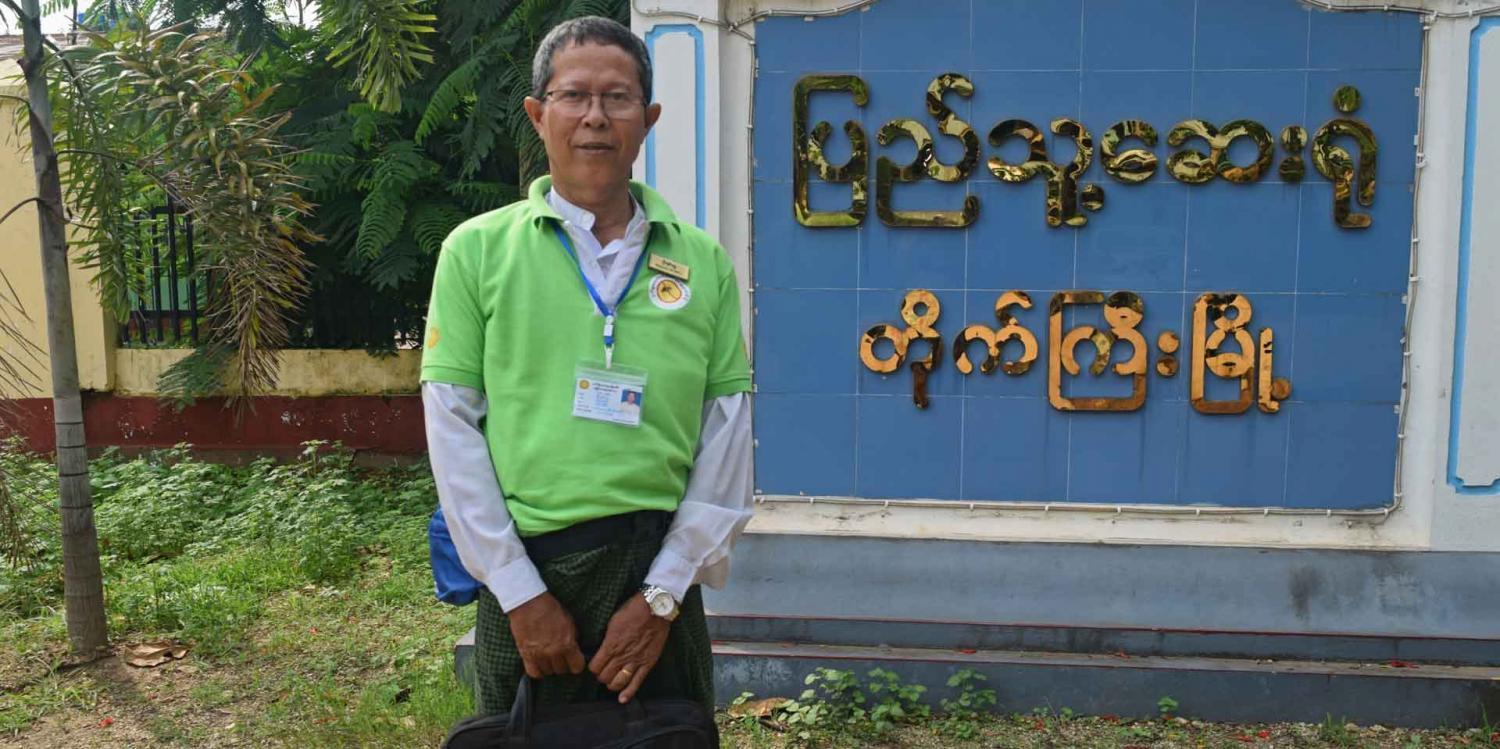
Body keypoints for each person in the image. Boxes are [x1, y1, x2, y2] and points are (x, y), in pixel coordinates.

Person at [419, 15, 753, 716]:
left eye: (618, 98)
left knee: (668, 734)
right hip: (531, 572)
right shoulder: (476, 252)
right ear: (539, 116)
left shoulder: (702, 262)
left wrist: (662, 597)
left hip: (657, 569)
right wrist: (518, 590)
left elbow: (725, 435)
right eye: (574, 96)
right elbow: (452, 428)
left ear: (649, 117)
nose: (595, 118)